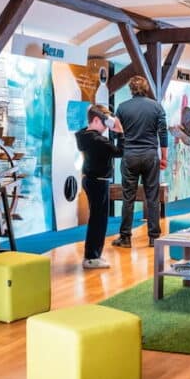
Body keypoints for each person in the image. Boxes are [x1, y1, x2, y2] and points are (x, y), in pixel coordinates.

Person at [113, 76, 169, 248]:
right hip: (150, 155)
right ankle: (153, 237)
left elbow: (116, 133)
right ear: (146, 88)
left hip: (130, 155)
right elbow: (163, 133)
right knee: (152, 197)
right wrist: (164, 157)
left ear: (131, 89)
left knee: (128, 198)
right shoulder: (156, 106)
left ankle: (125, 237)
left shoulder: (122, 107)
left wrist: (123, 147)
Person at [75, 104, 124, 269]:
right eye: (104, 123)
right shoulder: (97, 140)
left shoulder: (85, 136)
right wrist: (120, 133)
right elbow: (119, 152)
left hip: (92, 180)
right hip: (98, 181)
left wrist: (101, 116)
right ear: (96, 120)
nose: (106, 128)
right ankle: (91, 257)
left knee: (98, 219)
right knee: (98, 220)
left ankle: (94, 254)